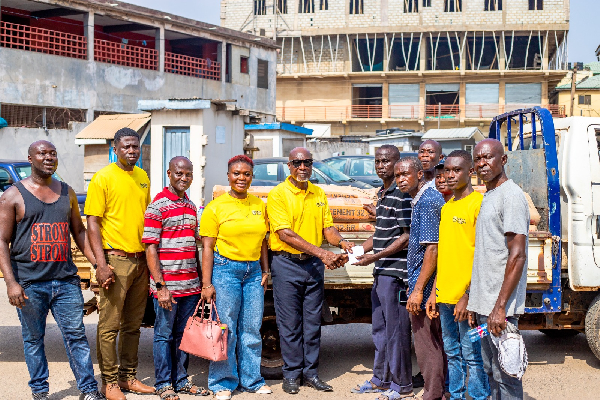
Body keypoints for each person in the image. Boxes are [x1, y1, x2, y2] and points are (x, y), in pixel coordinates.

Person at [0, 140, 105, 400]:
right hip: (29, 283)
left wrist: (96, 263)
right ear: (30, 158)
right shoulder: (12, 196)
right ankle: (40, 392)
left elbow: (78, 231)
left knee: (76, 337)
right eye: (42, 153)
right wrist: (11, 283)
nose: (49, 158)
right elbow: (2, 240)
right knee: (34, 339)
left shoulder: (66, 192)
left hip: (65, 280)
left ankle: (89, 390)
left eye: (53, 154)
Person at [267, 147, 352, 394]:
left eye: (307, 162)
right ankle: (291, 374)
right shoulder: (278, 194)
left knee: (312, 323)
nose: (302, 167)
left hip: (313, 266)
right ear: (289, 165)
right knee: (290, 324)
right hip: (287, 264)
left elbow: (328, 228)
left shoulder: (318, 193)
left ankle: (311, 373)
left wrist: (342, 242)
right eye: (297, 162)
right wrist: (323, 253)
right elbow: (286, 234)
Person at [85, 128, 155, 400]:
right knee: (109, 325)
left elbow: (145, 217)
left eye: (135, 146)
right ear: (116, 148)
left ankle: (128, 377)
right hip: (115, 260)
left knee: (133, 325)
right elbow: (93, 222)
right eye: (126, 146)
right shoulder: (103, 177)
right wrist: (101, 264)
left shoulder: (142, 177)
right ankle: (109, 382)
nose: (132, 151)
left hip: (140, 261)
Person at [199, 155, 272, 400]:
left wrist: (265, 270)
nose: (241, 178)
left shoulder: (259, 204)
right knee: (225, 328)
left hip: (253, 273)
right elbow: (207, 247)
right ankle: (222, 383)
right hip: (225, 269)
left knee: (252, 327)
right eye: (236, 174)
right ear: (228, 176)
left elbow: (263, 241)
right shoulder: (215, 207)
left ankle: (252, 380)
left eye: (246, 174)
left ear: (252, 177)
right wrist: (207, 283)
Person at [351, 145, 415, 400]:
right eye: (377, 161)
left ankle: (403, 385)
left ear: (398, 163)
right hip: (380, 271)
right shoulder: (383, 193)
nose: (381, 166)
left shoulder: (402, 195)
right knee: (379, 329)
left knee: (397, 330)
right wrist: (356, 251)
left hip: (395, 273)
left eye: (386, 161)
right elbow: (381, 235)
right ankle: (381, 378)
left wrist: (374, 257)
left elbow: (408, 236)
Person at [142, 157, 209, 400]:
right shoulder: (157, 207)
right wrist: (160, 286)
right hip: (167, 286)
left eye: (188, 174)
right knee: (163, 335)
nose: (184, 178)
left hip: (190, 286)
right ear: (169, 173)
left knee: (183, 336)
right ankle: (163, 384)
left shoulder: (191, 207)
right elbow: (150, 248)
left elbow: (197, 244)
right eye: (179, 173)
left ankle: (181, 381)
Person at [467, 139, 529, 400]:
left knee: (507, 374)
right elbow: (486, 253)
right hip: (484, 306)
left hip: (499, 310)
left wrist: (500, 307)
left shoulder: (511, 196)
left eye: (488, 158)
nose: (482, 164)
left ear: (503, 160)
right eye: (478, 159)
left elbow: (518, 255)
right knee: (491, 370)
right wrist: (474, 301)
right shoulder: (489, 195)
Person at [426, 151, 490, 400]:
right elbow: (445, 254)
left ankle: (477, 396)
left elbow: (485, 256)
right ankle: (456, 395)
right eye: (446, 171)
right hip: (445, 299)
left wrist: (469, 296)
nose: (449, 176)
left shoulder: (478, 205)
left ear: (470, 172)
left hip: (470, 302)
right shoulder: (447, 206)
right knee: (452, 352)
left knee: (474, 355)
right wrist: (434, 292)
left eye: (456, 170)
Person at [396, 157, 447, 400]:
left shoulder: (427, 201)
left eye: (405, 174)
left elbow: (432, 249)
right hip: (428, 285)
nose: (400, 179)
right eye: (397, 176)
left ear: (419, 174)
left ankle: (433, 394)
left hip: (426, 288)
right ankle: (441, 391)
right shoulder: (423, 199)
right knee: (438, 342)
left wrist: (418, 290)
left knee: (427, 345)